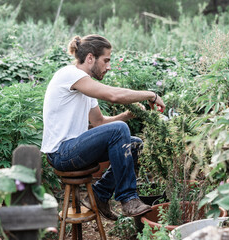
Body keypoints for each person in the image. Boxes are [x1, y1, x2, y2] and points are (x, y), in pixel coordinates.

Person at [41, 34, 166, 221]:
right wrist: (150, 95)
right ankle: (128, 199)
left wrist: (125, 116)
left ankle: (99, 196)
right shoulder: (70, 74)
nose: (108, 66)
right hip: (61, 153)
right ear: (90, 58)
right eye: (106, 60)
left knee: (135, 144)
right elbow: (114, 95)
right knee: (119, 129)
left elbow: (98, 122)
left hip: (73, 149)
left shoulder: (85, 84)